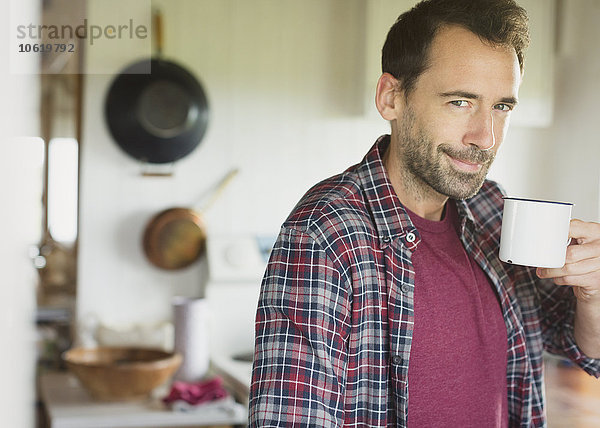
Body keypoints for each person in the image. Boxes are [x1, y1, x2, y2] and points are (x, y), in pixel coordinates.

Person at [248, 0, 600, 426]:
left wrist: (593, 293)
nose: (485, 137)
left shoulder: (492, 210)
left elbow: (580, 345)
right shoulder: (324, 235)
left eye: (502, 107)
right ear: (391, 97)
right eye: (460, 102)